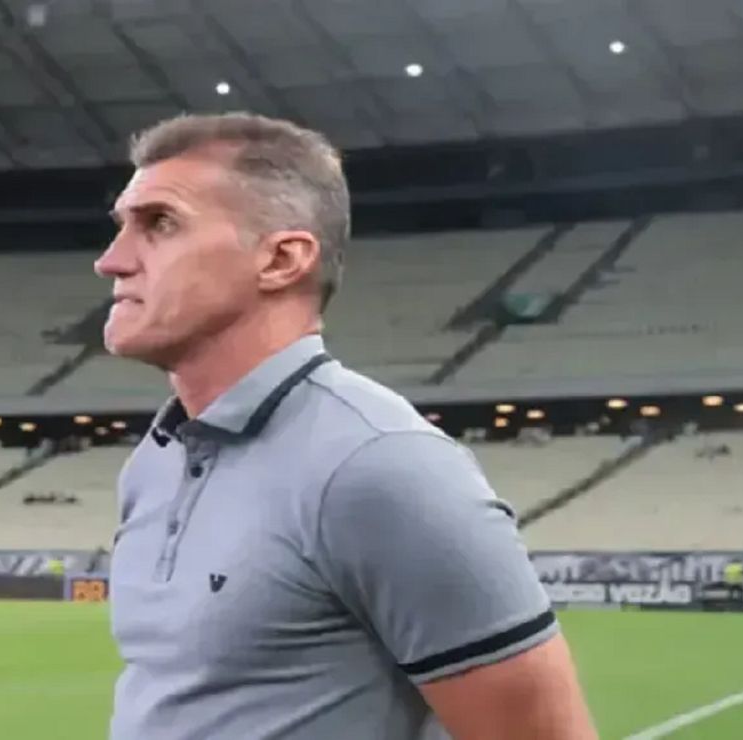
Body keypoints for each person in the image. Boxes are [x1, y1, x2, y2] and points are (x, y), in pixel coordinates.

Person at [95, 113, 595, 740]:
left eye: (160, 224)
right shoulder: (156, 459)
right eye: (122, 226)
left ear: (282, 259)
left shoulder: (380, 465)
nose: (111, 261)